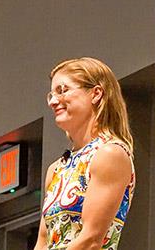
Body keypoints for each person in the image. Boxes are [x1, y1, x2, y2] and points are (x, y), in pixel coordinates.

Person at [33, 57, 135, 250]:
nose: (53, 101)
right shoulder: (56, 169)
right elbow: (42, 242)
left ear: (96, 94)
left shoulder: (110, 154)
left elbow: (91, 240)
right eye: (51, 95)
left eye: (63, 90)